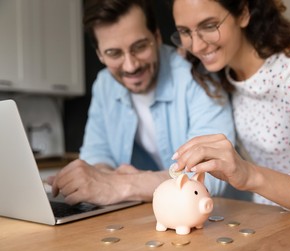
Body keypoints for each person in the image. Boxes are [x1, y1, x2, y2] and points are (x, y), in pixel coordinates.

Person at [169, 0, 290, 216]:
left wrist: (249, 175)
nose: (196, 46)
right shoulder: (221, 75)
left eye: (209, 26)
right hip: (272, 222)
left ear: (242, 13)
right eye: (185, 31)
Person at [47, 0, 235, 206]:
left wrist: (120, 185)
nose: (130, 66)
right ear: (100, 54)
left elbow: (213, 174)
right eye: (114, 53)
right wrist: (96, 180)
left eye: (140, 47)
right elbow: (96, 154)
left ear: (156, 36)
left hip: (216, 212)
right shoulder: (104, 84)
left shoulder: (195, 74)